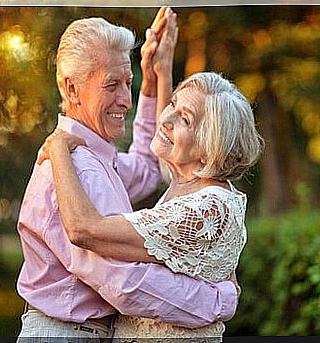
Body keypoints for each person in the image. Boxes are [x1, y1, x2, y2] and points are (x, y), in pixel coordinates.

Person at [16, 8, 239, 340]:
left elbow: (149, 168)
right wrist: (220, 299)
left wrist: (152, 83)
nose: (126, 99)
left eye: (128, 83)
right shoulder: (78, 169)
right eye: (111, 85)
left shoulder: (98, 158)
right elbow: (125, 283)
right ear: (73, 90)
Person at [39, 71, 264, 341]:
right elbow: (155, 160)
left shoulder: (207, 208)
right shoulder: (184, 186)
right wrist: (159, 71)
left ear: (209, 146)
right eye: (172, 103)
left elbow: (84, 230)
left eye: (185, 119)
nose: (166, 119)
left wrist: (59, 146)